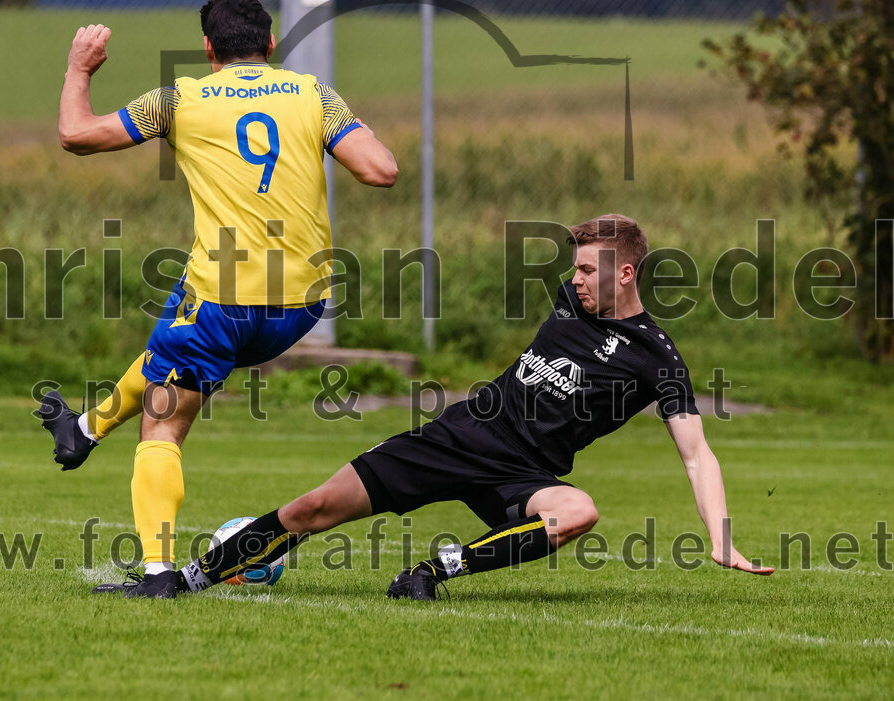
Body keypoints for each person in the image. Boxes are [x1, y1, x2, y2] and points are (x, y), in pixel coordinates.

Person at [163, 214, 774, 602]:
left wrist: (719, 538)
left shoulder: (655, 358)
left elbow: (697, 454)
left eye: (589, 269)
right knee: (314, 508)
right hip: (460, 435)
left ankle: (435, 572)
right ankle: (183, 581)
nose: (577, 279)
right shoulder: (571, 298)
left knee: (578, 510)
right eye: (576, 267)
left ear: (627, 274)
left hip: (522, 476)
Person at [37, 0, 398, 598]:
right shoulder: (314, 93)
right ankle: (83, 429)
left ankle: (157, 576)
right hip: (301, 306)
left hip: (222, 300)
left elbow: (75, 135)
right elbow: (381, 169)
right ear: (272, 45)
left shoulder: (177, 100)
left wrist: (79, 69)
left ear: (209, 49)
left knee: (163, 426)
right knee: (167, 346)